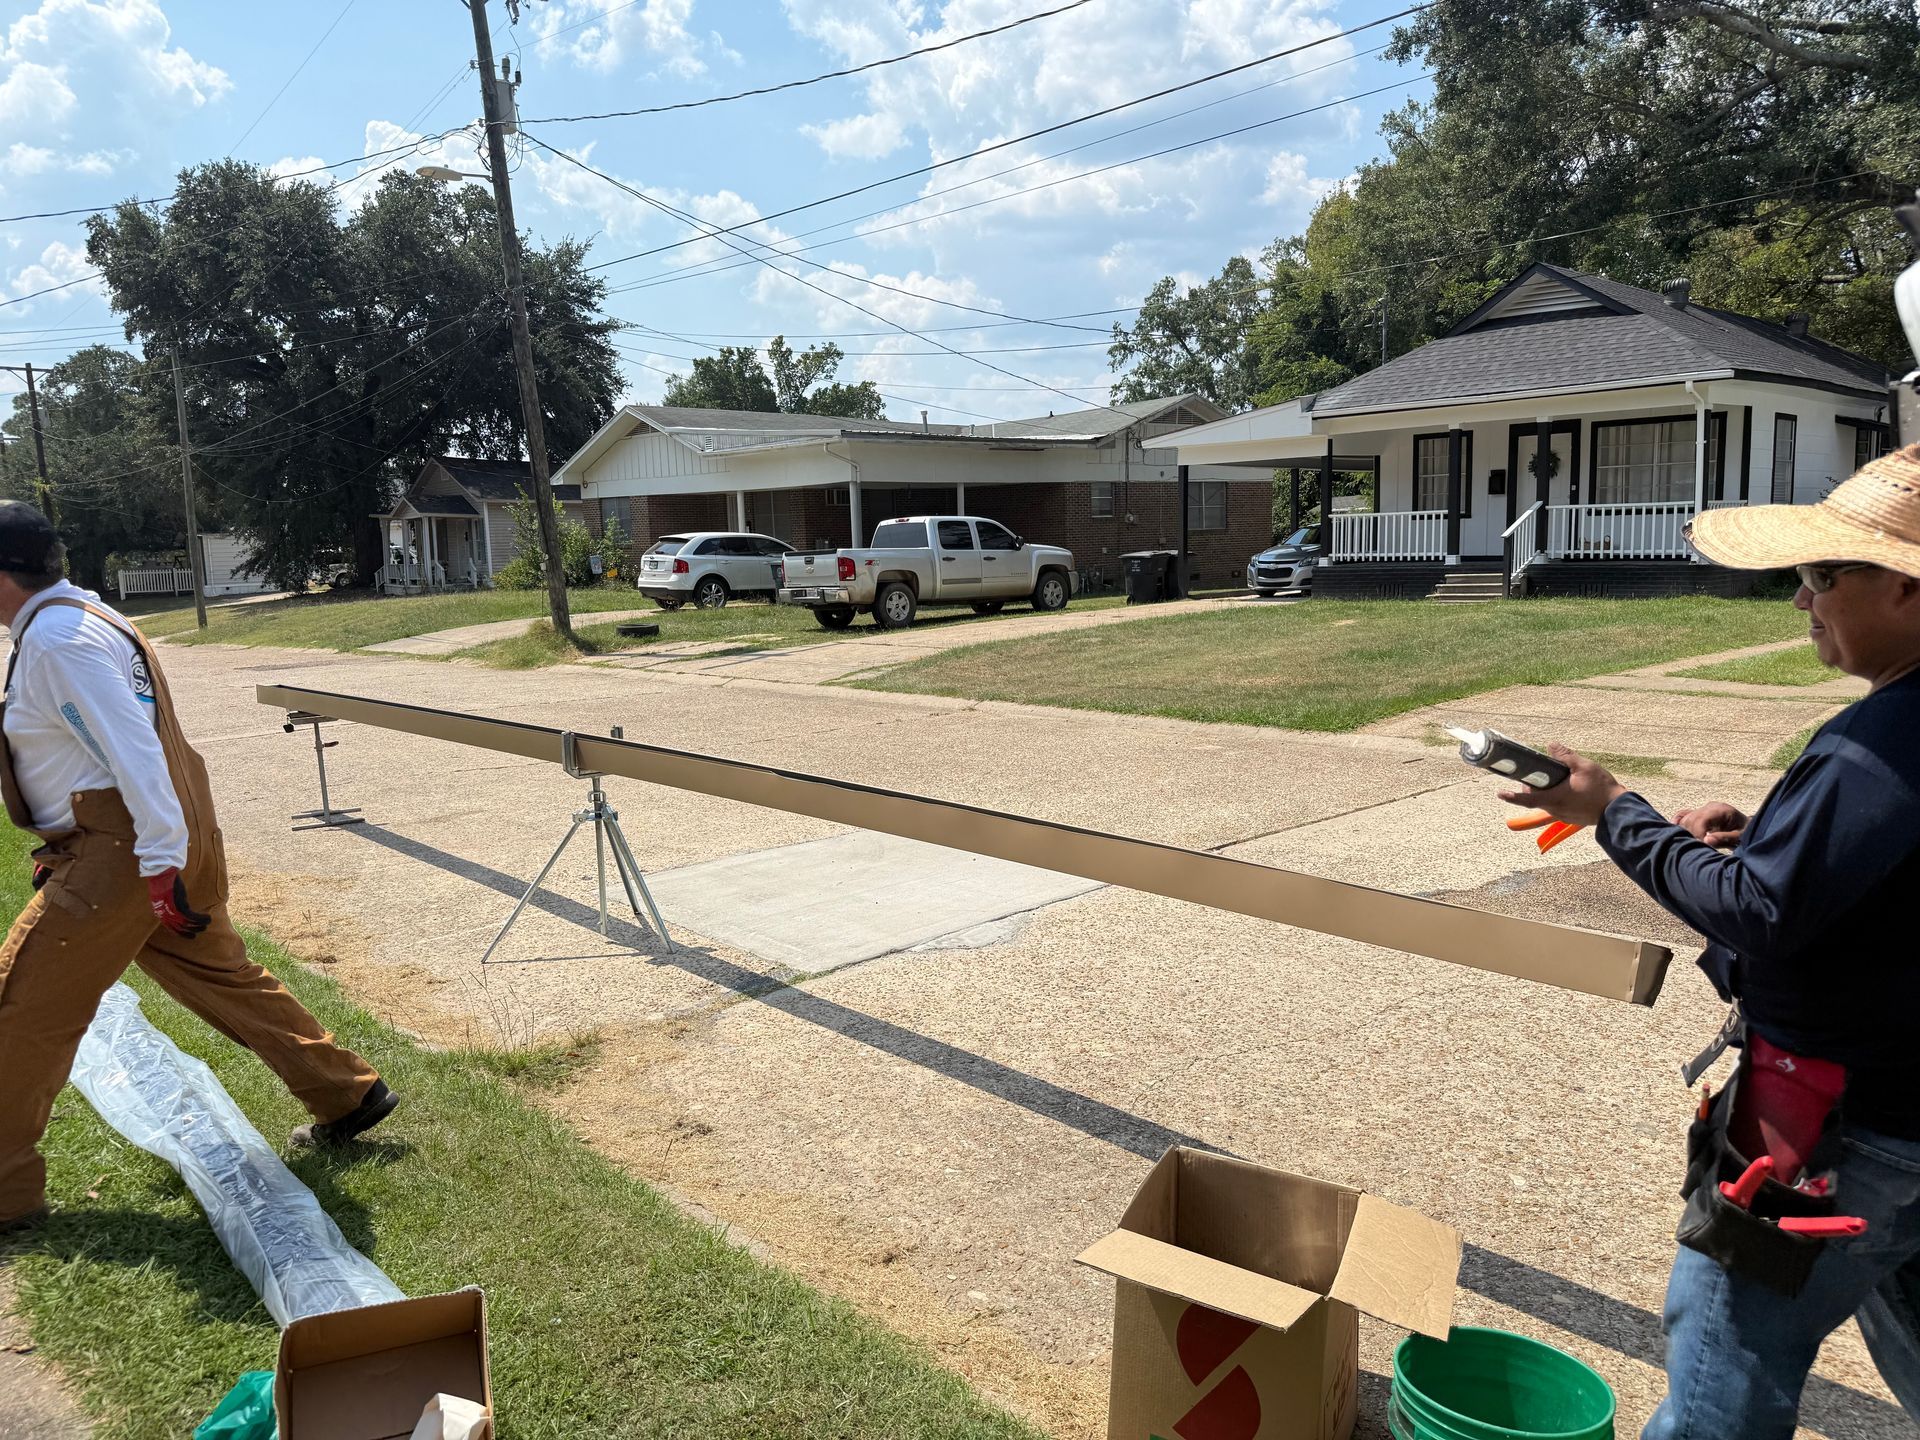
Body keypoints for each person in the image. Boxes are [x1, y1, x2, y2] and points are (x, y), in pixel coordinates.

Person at [1503, 445, 1920, 1438]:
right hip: (1908, 1120)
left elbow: (1762, 915)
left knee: (1721, 1386)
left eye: (1825, 575)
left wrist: (1615, 813)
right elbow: (1844, 890)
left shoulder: (1884, 743)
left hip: (1838, 1138)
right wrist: (1758, 846)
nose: (1800, 598)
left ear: (1906, 588)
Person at [0, 502, 397, 1236]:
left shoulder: (58, 641)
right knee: (221, 975)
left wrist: (155, 864)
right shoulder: (89, 618)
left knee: (19, 1008)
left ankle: (4, 1193)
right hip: (156, 836)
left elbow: (131, 752)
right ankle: (346, 1093)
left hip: (121, 853)